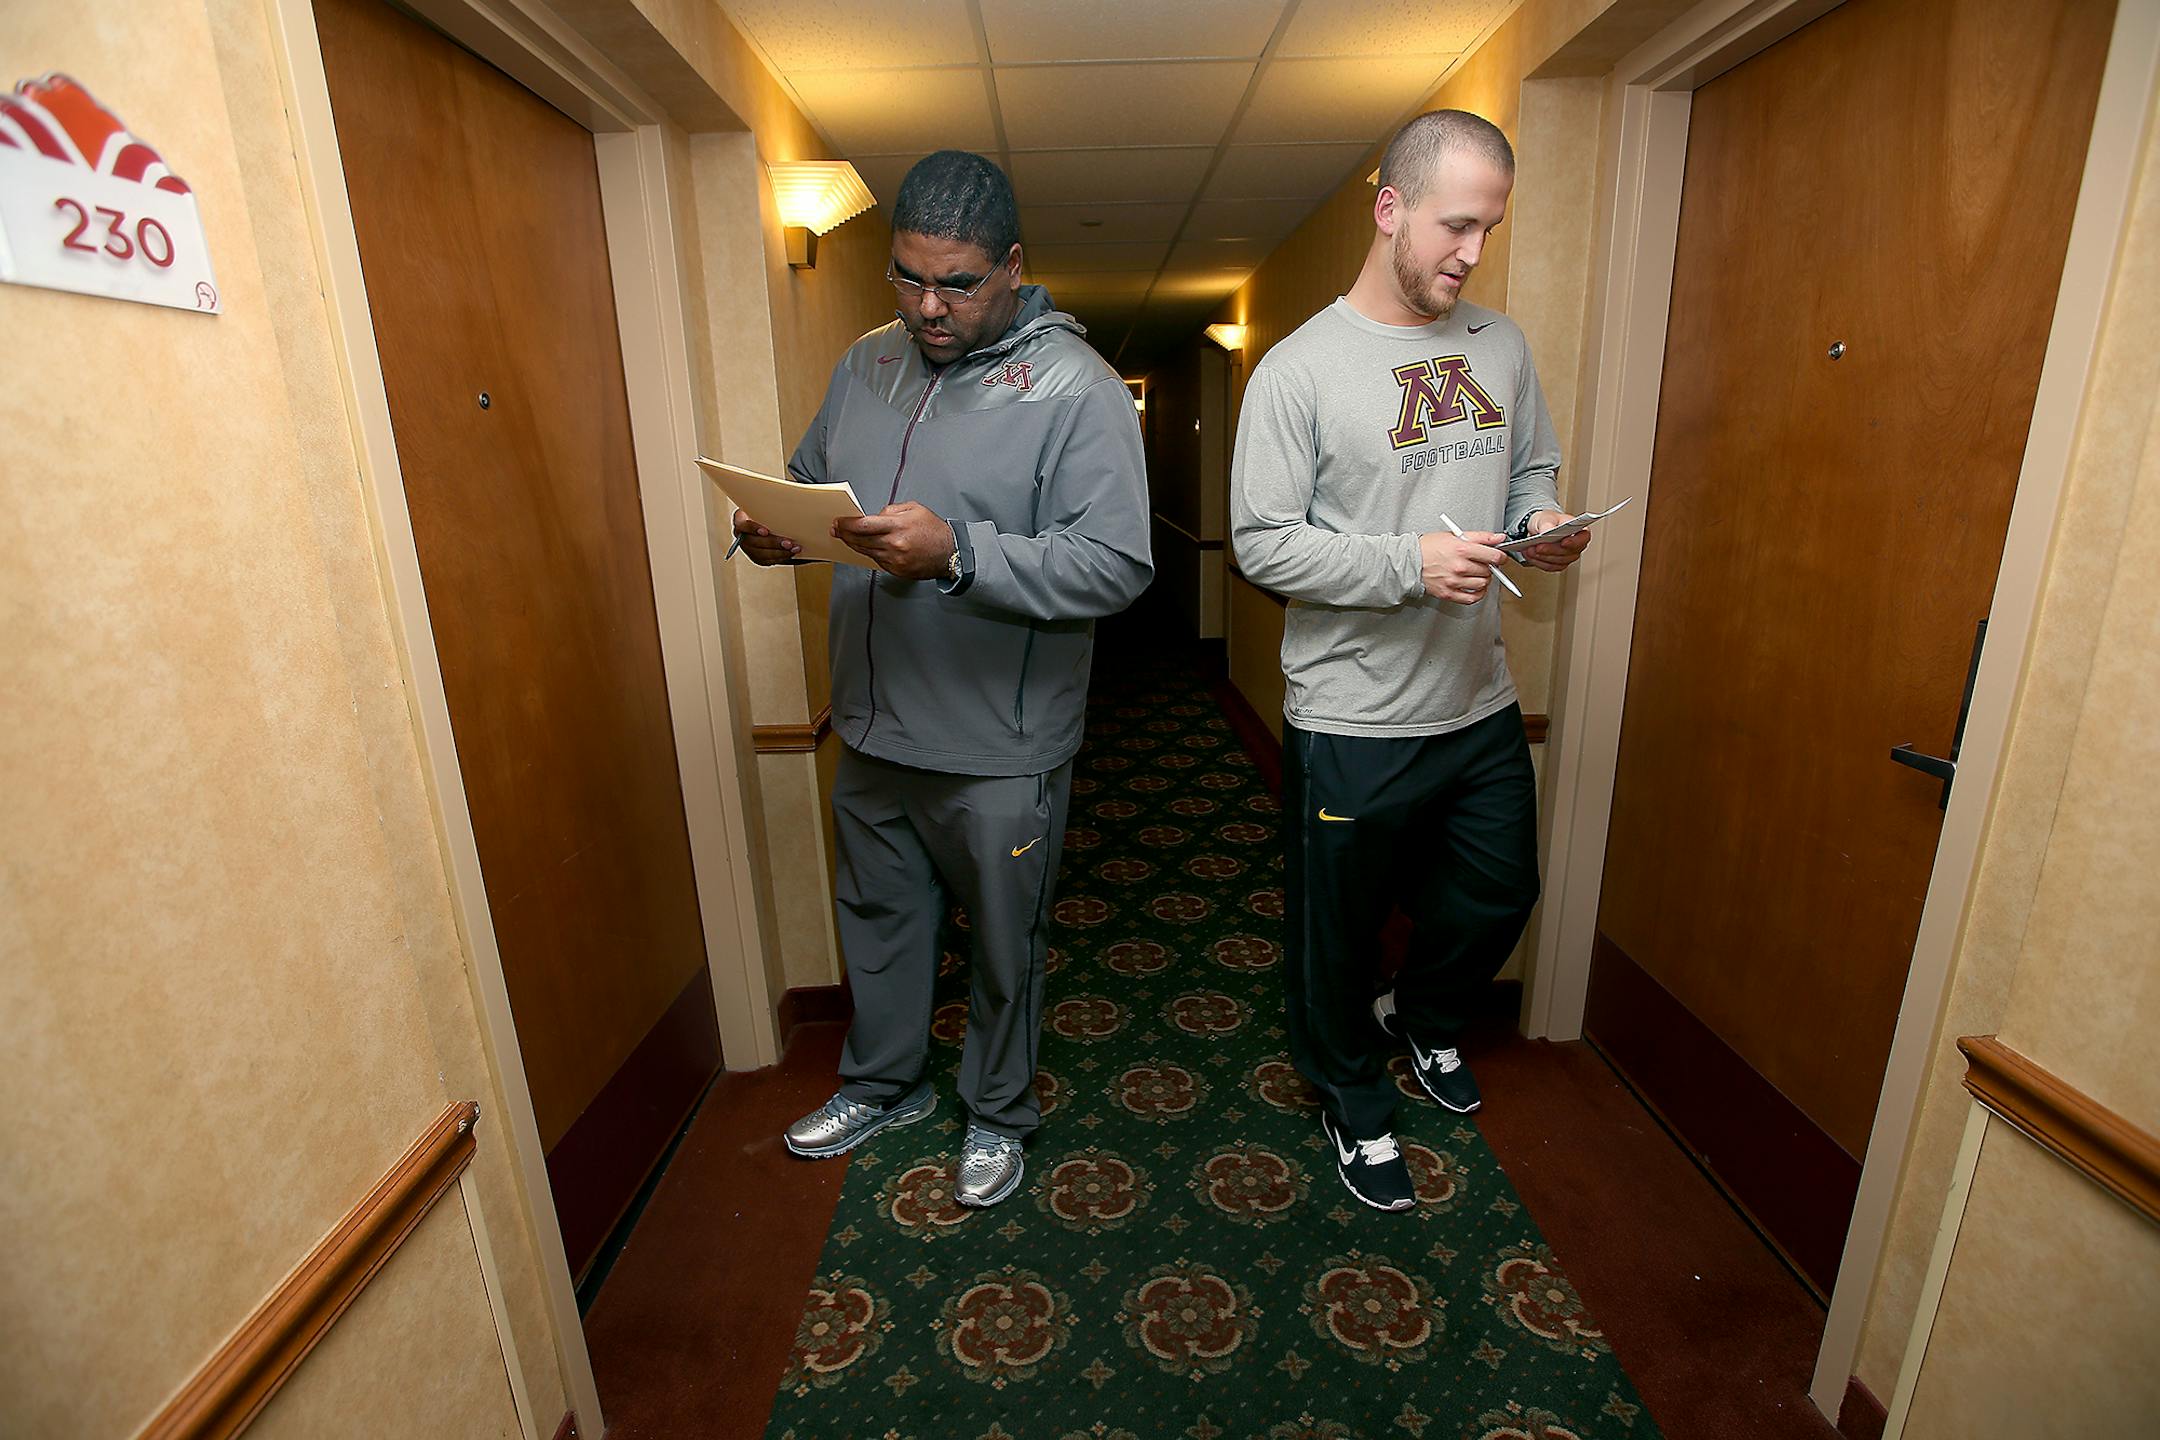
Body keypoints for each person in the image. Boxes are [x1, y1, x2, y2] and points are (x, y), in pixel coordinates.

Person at [733, 150, 1152, 1208]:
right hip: (874, 725)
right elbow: (812, 480)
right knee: (877, 924)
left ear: (1012, 266)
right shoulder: (866, 364)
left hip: (999, 746)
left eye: (957, 283)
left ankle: (1000, 1113)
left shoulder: (1079, 390)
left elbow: (1116, 563)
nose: (928, 307)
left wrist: (961, 552)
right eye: (909, 278)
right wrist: (779, 531)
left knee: (1007, 948)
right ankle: (885, 1087)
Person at [1229, 110, 1592, 1212]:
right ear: (1389, 209)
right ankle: (1355, 1100)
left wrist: (1545, 521)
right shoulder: (1299, 372)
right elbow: (1261, 540)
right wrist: (1409, 563)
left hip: (1475, 699)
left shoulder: (1502, 345)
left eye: (1489, 229)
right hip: (1352, 716)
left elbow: (1530, 468)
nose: (1472, 253)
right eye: (1456, 225)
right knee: (1334, 943)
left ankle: (1422, 1022)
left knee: (1499, 893)